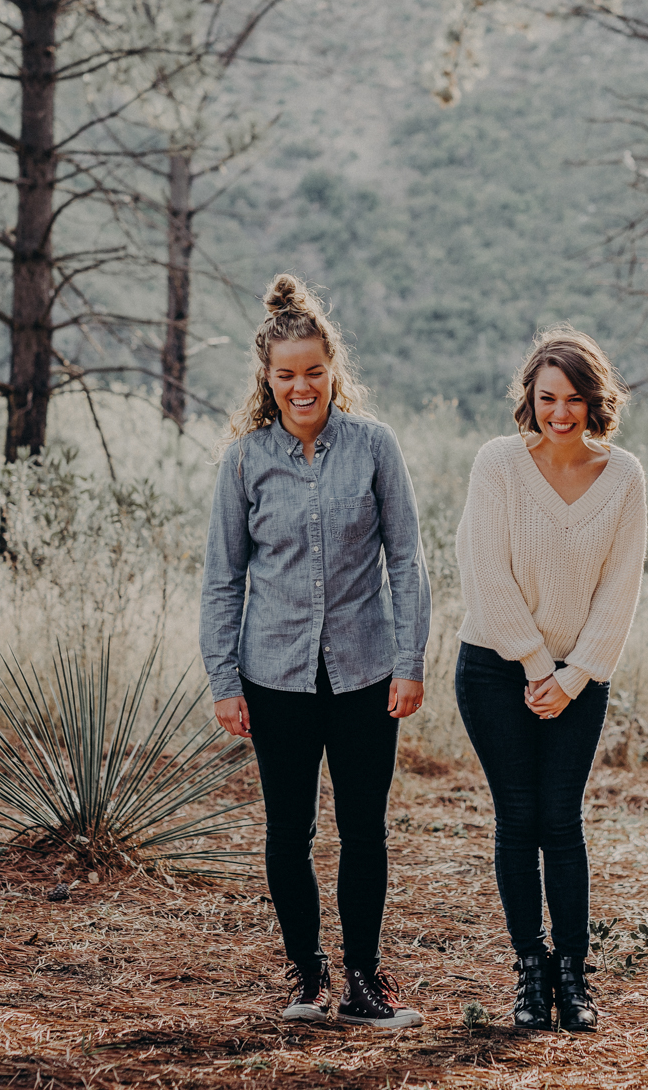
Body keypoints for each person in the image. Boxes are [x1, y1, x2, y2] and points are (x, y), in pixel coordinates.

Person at [200, 274, 431, 1029]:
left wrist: (410, 659)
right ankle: (308, 976)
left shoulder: (374, 447)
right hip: (274, 677)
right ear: (267, 380)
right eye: (286, 375)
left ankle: (365, 982)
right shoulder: (244, 461)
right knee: (287, 831)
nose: (302, 386)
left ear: (334, 370)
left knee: (364, 829)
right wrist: (223, 678)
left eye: (315, 371)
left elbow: (408, 559)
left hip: (366, 672)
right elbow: (223, 577)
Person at [454, 325, 647, 1033]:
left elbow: (620, 591)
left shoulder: (623, 476)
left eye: (572, 398)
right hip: (493, 669)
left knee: (562, 823)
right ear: (528, 399)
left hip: (580, 679)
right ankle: (530, 974)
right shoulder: (499, 464)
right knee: (519, 817)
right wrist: (538, 664)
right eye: (546, 398)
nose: (559, 412)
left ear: (595, 401)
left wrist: (572, 676)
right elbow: (482, 572)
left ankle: (574, 976)